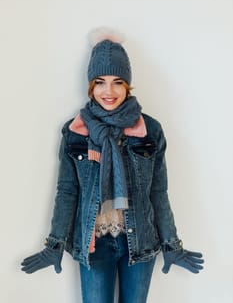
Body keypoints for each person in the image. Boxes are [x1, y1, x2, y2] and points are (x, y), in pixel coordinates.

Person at [21, 28, 204, 303]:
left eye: (118, 82)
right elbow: (68, 192)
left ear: (127, 85)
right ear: (91, 85)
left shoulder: (149, 130)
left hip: (140, 242)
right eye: (100, 82)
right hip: (93, 245)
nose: (109, 91)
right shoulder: (75, 132)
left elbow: (158, 192)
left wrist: (171, 244)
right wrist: (55, 244)